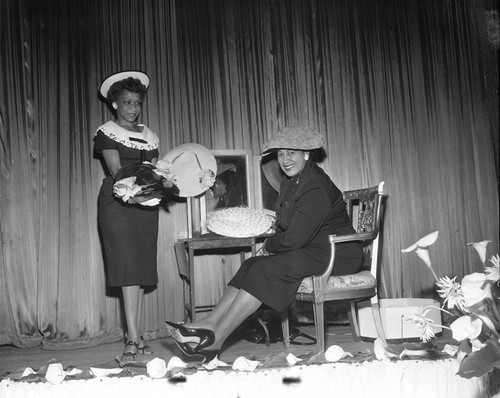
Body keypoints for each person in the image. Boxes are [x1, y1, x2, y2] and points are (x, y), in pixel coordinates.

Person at [166, 125, 364, 362]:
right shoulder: (294, 181)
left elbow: (294, 239)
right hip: (313, 249)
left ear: (306, 154)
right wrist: (270, 243)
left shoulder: (314, 185)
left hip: (337, 253)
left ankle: (216, 339)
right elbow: (288, 227)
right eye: (281, 154)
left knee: (263, 268)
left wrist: (270, 245)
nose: (285, 160)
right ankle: (207, 324)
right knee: (252, 265)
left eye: (291, 153)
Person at [94, 71, 161, 362]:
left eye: (136, 102)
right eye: (126, 102)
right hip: (119, 202)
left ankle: (136, 334)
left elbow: (157, 170)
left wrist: (164, 180)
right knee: (126, 266)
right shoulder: (106, 132)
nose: (132, 108)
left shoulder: (149, 135)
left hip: (146, 202)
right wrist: (143, 186)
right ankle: (132, 337)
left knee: (141, 267)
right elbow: (117, 171)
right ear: (114, 105)